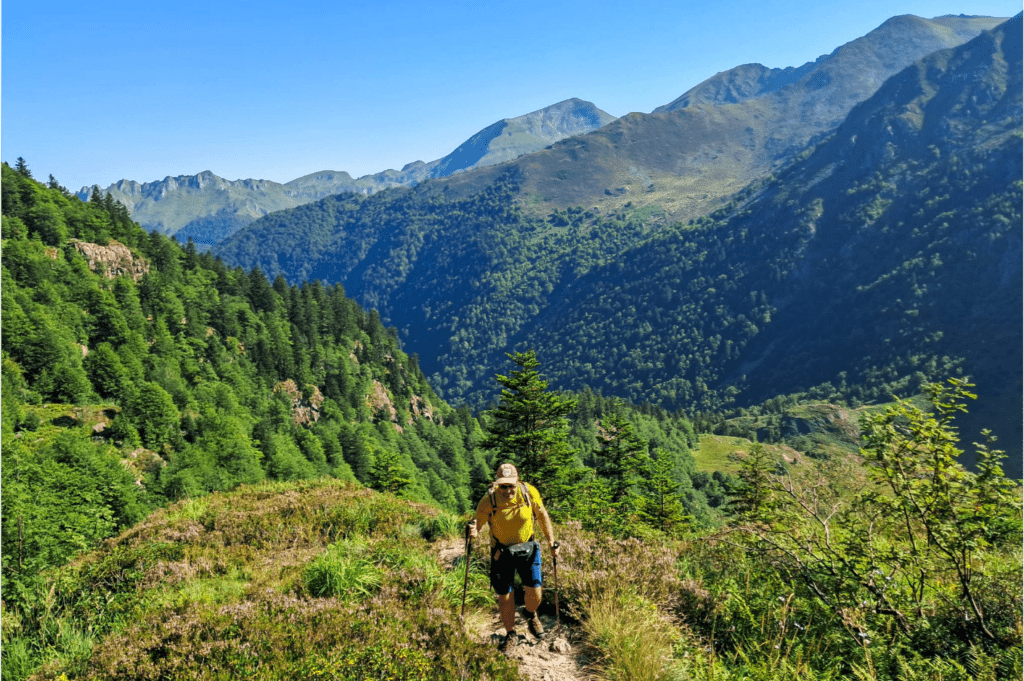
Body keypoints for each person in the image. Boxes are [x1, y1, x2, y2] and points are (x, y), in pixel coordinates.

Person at [468, 462, 559, 652]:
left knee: (535, 593)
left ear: (517, 482)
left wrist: (551, 541)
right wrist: (473, 533)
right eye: (503, 486)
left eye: (511, 485)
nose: (508, 490)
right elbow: (477, 525)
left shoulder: (528, 492)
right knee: (505, 595)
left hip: (528, 547)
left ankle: (530, 613)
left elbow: (542, 515)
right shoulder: (489, 500)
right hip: (501, 552)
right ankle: (511, 634)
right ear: (497, 485)